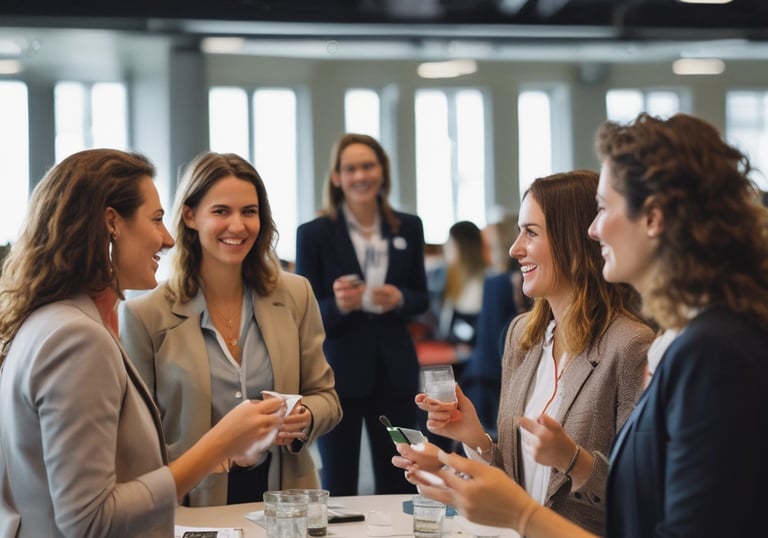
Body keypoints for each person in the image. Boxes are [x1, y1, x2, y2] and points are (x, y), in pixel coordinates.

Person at [398, 113, 768, 538]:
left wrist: (526, 512)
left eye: (605, 207)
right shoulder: (686, 340)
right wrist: (469, 450)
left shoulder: (710, 350)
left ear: (653, 218)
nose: (594, 229)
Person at [0, 149, 287, 537]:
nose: (168, 238)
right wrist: (217, 444)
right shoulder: (76, 338)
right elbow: (89, 521)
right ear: (111, 223)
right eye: (155, 219)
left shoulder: (49, 321)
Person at [397, 169, 654, 535]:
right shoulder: (522, 337)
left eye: (531, 233)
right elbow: (515, 487)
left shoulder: (630, 346)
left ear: (575, 242)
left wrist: (573, 460)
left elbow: (641, 491)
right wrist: (474, 438)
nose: (515, 249)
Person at [119, 151, 342, 506]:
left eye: (249, 212)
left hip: (286, 500)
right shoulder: (144, 314)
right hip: (192, 503)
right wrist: (219, 451)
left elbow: (326, 397)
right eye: (221, 211)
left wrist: (305, 416)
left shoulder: (296, 295)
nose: (237, 226)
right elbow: (138, 437)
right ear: (190, 216)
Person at [295, 133, 429, 495]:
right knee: (339, 483)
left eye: (368, 166)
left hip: (395, 370)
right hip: (337, 375)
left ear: (382, 171)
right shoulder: (314, 234)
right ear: (336, 177)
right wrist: (338, 305)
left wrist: (399, 297)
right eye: (350, 168)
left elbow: (422, 298)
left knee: (401, 476)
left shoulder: (409, 226)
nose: (360, 176)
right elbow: (303, 313)